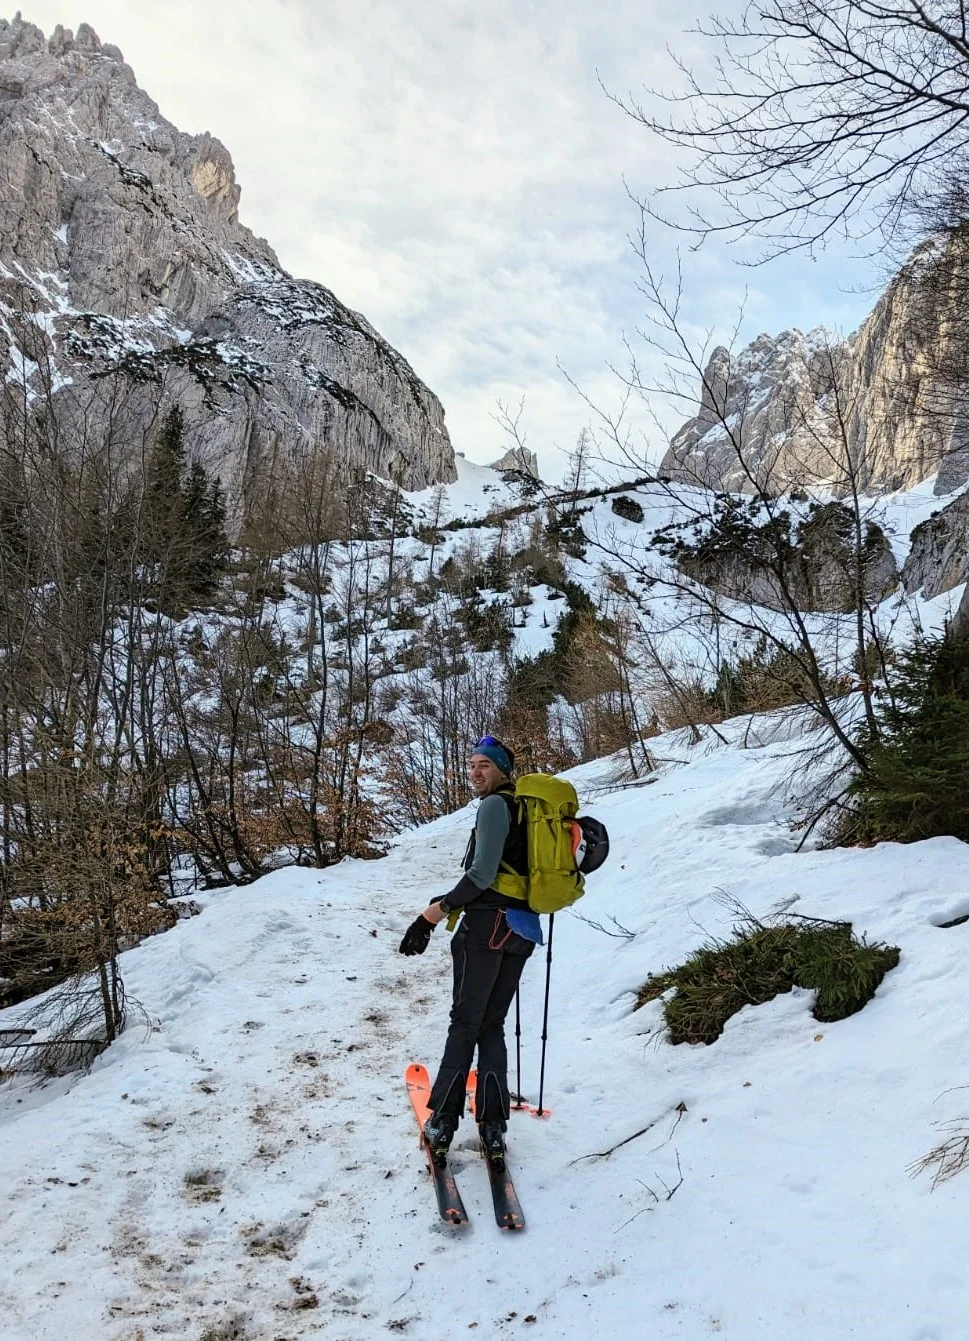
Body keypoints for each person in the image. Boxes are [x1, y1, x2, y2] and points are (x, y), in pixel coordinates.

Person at [398, 735, 540, 1161]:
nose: (475, 773)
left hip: (486, 928)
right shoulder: (526, 808)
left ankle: (442, 1121)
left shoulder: (496, 806)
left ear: (502, 770)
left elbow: (480, 875)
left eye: (484, 765)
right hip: (521, 928)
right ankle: (493, 1126)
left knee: (465, 1023)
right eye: (472, 765)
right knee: (490, 1023)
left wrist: (432, 915)